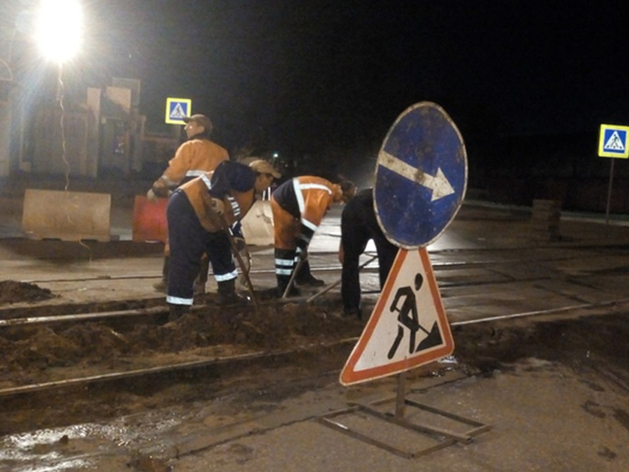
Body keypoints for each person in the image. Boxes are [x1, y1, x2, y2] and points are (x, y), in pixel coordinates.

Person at [166, 159, 280, 321]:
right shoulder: (247, 177)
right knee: (186, 260)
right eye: (270, 178)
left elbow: (232, 214)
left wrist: (236, 234)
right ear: (261, 176)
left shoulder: (250, 195)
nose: (270, 183)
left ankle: (227, 293)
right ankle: (178, 310)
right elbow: (225, 167)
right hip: (187, 205)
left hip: (209, 218)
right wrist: (217, 196)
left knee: (223, 249)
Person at [146, 114, 229, 294]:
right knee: (204, 240)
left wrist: (157, 186)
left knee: (177, 240)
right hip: (209, 202)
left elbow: (175, 171)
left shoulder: (189, 146)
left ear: (201, 128)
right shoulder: (222, 151)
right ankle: (199, 283)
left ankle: (169, 280)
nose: (186, 128)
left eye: (190, 124)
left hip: (187, 200)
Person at [270, 176, 356, 297]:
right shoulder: (324, 193)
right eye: (343, 199)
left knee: (300, 245)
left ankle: (303, 277)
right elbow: (309, 223)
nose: (340, 202)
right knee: (286, 245)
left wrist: (302, 244)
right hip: (283, 204)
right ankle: (284, 286)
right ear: (341, 190)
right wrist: (302, 245)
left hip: (290, 203)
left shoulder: (327, 188)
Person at [339, 188, 399, 319]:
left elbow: (345, 254)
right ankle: (389, 310)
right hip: (379, 211)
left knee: (350, 261)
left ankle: (350, 309)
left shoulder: (377, 192)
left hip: (352, 209)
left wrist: (345, 246)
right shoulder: (399, 199)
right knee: (388, 261)